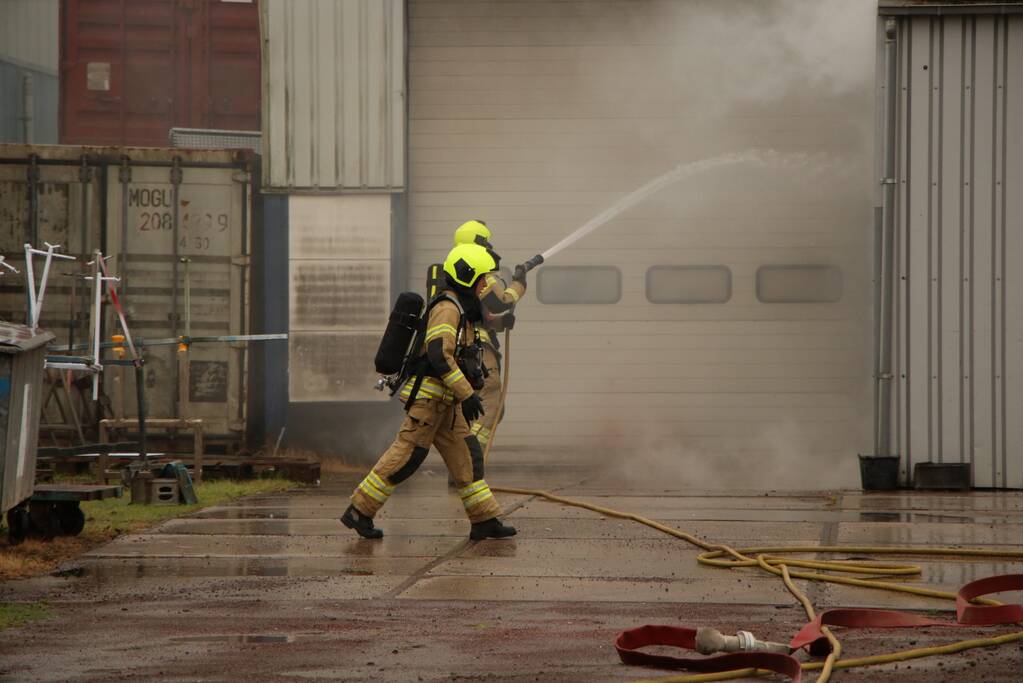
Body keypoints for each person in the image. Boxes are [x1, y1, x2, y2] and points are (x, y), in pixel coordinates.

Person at [341, 242, 518, 541]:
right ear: (467, 277)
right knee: (406, 457)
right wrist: (467, 393)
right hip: (430, 401)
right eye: (483, 279)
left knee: (467, 456)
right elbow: (439, 354)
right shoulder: (447, 309)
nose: (486, 286)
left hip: (446, 404)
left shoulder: (461, 308)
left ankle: (484, 519)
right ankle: (359, 510)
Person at [450, 220, 527, 454]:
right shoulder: (478, 269)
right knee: (491, 394)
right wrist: (519, 283)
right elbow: (499, 300)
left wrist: (500, 323)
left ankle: (463, 460)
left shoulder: (456, 269)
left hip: (458, 345)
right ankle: (469, 460)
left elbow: (476, 312)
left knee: (486, 406)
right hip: (475, 347)